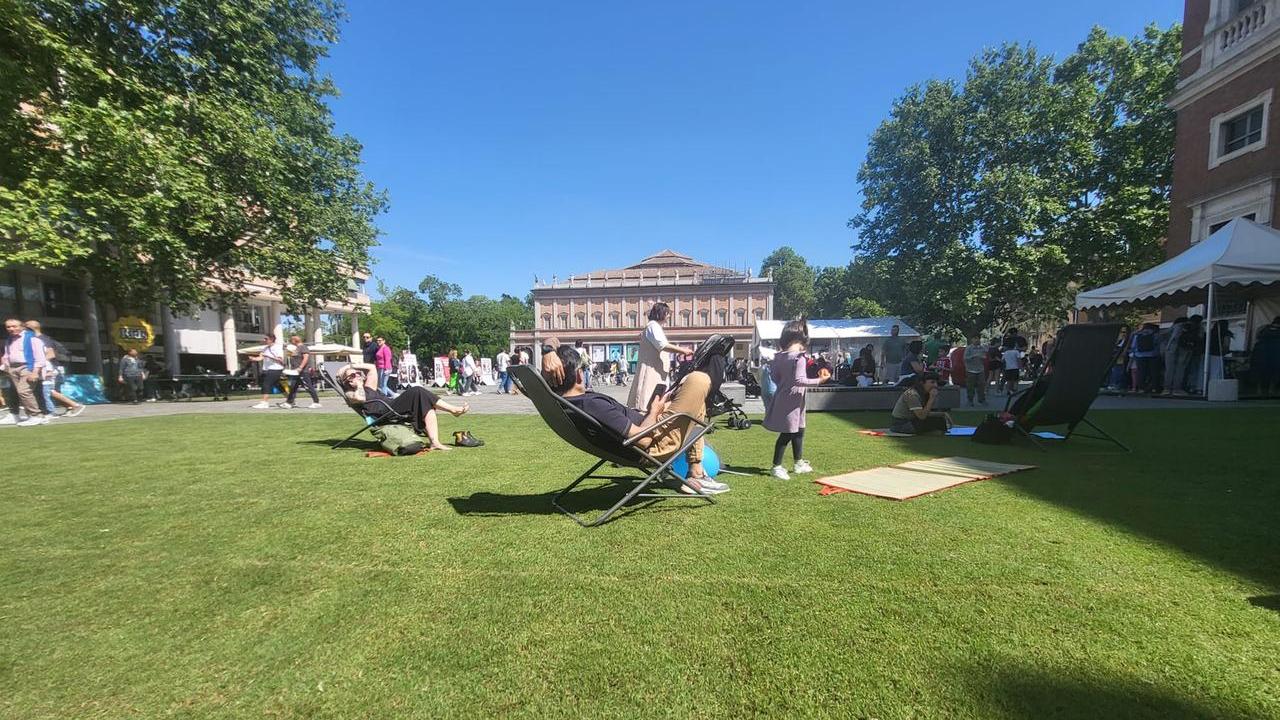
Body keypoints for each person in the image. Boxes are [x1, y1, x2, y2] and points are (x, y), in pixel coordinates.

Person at [544, 344, 728, 495]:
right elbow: (643, 440)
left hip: (649, 432)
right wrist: (654, 413)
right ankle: (696, 474)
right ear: (578, 375)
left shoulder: (564, 403)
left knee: (693, 396)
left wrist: (548, 350)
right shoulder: (591, 405)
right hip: (656, 444)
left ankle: (696, 472)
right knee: (698, 379)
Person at [336, 361, 469, 451]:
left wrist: (350, 365)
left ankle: (435, 442)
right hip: (385, 413)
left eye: (358, 373)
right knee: (417, 390)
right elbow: (360, 398)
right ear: (347, 381)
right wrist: (358, 384)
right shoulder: (350, 394)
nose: (358, 375)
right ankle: (453, 410)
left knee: (425, 402)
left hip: (391, 406)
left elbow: (371, 367)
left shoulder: (369, 387)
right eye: (353, 375)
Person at [763, 320, 830, 480]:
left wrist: (785, 385)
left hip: (786, 397)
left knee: (798, 430)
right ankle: (777, 466)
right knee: (788, 434)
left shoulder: (778, 357)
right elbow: (800, 380)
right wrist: (819, 381)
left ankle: (798, 462)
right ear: (801, 340)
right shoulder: (798, 358)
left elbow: (775, 377)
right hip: (794, 399)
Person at [626, 303, 692, 412]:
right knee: (648, 400)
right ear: (661, 313)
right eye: (667, 313)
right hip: (653, 371)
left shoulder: (653, 327)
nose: (669, 316)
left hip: (657, 370)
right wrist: (683, 351)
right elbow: (663, 345)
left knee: (652, 398)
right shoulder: (653, 326)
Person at [23, 320, 85, 417]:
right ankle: (71, 406)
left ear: (31, 328)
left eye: (25, 327)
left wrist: (38, 363)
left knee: (48, 390)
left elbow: (51, 354)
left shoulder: (42, 339)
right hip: (49, 368)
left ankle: (72, 406)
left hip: (50, 368)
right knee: (50, 391)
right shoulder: (37, 338)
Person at [1, 317, 49, 426]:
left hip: (27, 367)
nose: (11, 329)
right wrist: (6, 367)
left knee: (24, 391)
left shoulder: (33, 339)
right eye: (8, 327)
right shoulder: (9, 340)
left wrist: (35, 372)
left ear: (22, 327)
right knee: (16, 392)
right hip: (13, 368)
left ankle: (36, 415)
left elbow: (40, 358)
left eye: (14, 326)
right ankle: (22, 415)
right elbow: (7, 355)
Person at [280, 335, 321, 409]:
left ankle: (316, 402)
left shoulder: (303, 347)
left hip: (303, 371)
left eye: (291, 340)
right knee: (293, 387)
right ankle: (289, 402)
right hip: (295, 372)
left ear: (295, 340)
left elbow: (306, 358)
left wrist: (300, 367)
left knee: (308, 386)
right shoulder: (296, 348)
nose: (290, 341)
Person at [248, 334, 284, 409]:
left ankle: (264, 402)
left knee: (266, 384)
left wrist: (268, 356)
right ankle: (290, 399)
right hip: (267, 369)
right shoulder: (265, 348)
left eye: (266, 339)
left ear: (271, 339)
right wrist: (253, 359)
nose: (264, 340)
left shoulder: (277, 348)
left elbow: (280, 360)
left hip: (276, 368)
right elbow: (260, 358)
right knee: (278, 385)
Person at [1128, 323, 1160, 394]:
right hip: (1153, 355)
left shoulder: (1137, 334)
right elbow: (1158, 344)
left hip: (1139, 356)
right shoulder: (1155, 334)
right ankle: (1154, 388)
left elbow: (1133, 346)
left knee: (1141, 372)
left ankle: (1141, 388)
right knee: (1153, 372)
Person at [1252, 316, 1280, 396]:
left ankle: (1259, 390)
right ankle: (1271, 390)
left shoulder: (1262, 328)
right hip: (1275, 353)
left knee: (1260, 371)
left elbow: (1256, 338)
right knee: (1275, 371)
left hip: (1261, 352)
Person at [962, 335, 987, 406]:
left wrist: (982, 357)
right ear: (972, 340)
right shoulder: (969, 348)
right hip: (970, 370)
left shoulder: (982, 348)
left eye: (978, 338)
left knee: (981, 385)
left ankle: (981, 400)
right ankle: (970, 400)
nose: (976, 340)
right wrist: (973, 356)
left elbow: (984, 356)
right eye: (975, 338)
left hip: (980, 369)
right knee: (970, 386)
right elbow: (965, 358)